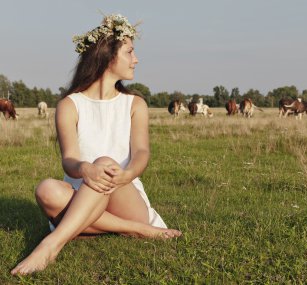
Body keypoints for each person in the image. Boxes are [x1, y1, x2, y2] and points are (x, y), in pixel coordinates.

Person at [11, 14, 181, 275]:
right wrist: (85, 169)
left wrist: (127, 174)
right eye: (130, 52)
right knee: (46, 189)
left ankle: (51, 245)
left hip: (124, 194)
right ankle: (136, 229)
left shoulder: (135, 104)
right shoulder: (70, 105)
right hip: (84, 190)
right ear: (107, 56)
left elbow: (142, 153)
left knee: (105, 164)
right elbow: (69, 159)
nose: (136, 59)